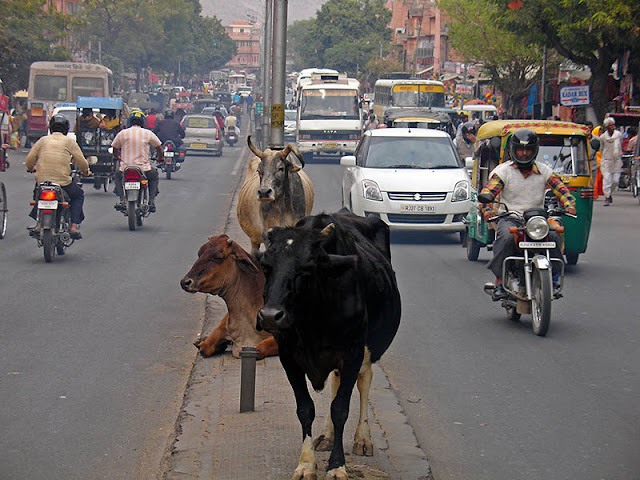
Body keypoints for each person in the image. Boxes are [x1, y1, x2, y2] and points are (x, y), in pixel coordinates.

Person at [479, 128, 576, 298]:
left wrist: (568, 204)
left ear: (534, 150)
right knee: (506, 238)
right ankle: (500, 281)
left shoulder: (544, 170)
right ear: (513, 150)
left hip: (536, 220)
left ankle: (553, 277)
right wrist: (486, 209)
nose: (524, 153)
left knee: (554, 236)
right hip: (511, 218)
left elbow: (561, 189)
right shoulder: (503, 172)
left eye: (528, 149)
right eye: (520, 149)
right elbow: (488, 192)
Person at [25, 115, 91, 239]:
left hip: (43, 181)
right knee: (78, 196)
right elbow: (82, 162)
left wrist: (30, 168)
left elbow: (30, 159)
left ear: (50, 127)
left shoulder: (43, 140)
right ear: (66, 129)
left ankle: (39, 224)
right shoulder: (69, 142)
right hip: (63, 182)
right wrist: (86, 172)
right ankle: (74, 226)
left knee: (38, 194)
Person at [112, 111, 163, 213]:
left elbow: (114, 147)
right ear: (143, 122)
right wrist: (160, 158)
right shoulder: (148, 133)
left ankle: (122, 199)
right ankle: (151, 202)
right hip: (144, 169)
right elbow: (159, 148)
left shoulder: (122, 133)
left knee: (117, 176)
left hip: (125, 168)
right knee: (153, 177)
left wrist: (117, 156)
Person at [597, 117, 623, 206]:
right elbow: (601, 148)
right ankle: (607, 197)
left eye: (613, 125)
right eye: (610, 125)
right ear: (607, 127)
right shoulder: (603, 137)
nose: (612, 126)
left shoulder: (618, 135)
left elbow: (620, 146)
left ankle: (609, 193)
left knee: (615, 181)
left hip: (616, 161)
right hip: (606, 161)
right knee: (607, 179)